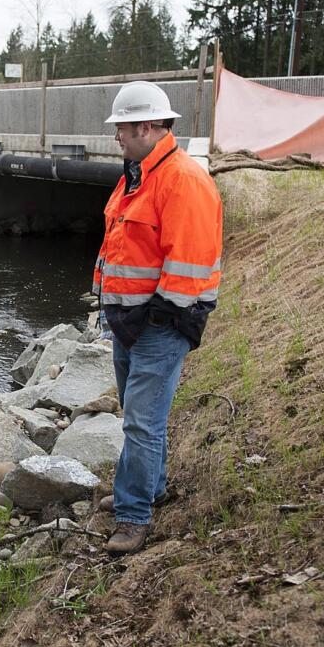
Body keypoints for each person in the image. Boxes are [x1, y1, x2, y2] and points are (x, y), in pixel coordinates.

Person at [93, 81, 223, 555]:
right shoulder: (138, 175)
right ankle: (152, 487)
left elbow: (187, 263)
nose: (117, 137)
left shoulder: (182, 181)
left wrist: (156, 318)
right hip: (131, 321)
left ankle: (133, 516)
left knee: (141, 423)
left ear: (147, 126)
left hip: (160, 324)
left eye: (122, 128)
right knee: (140, 415)